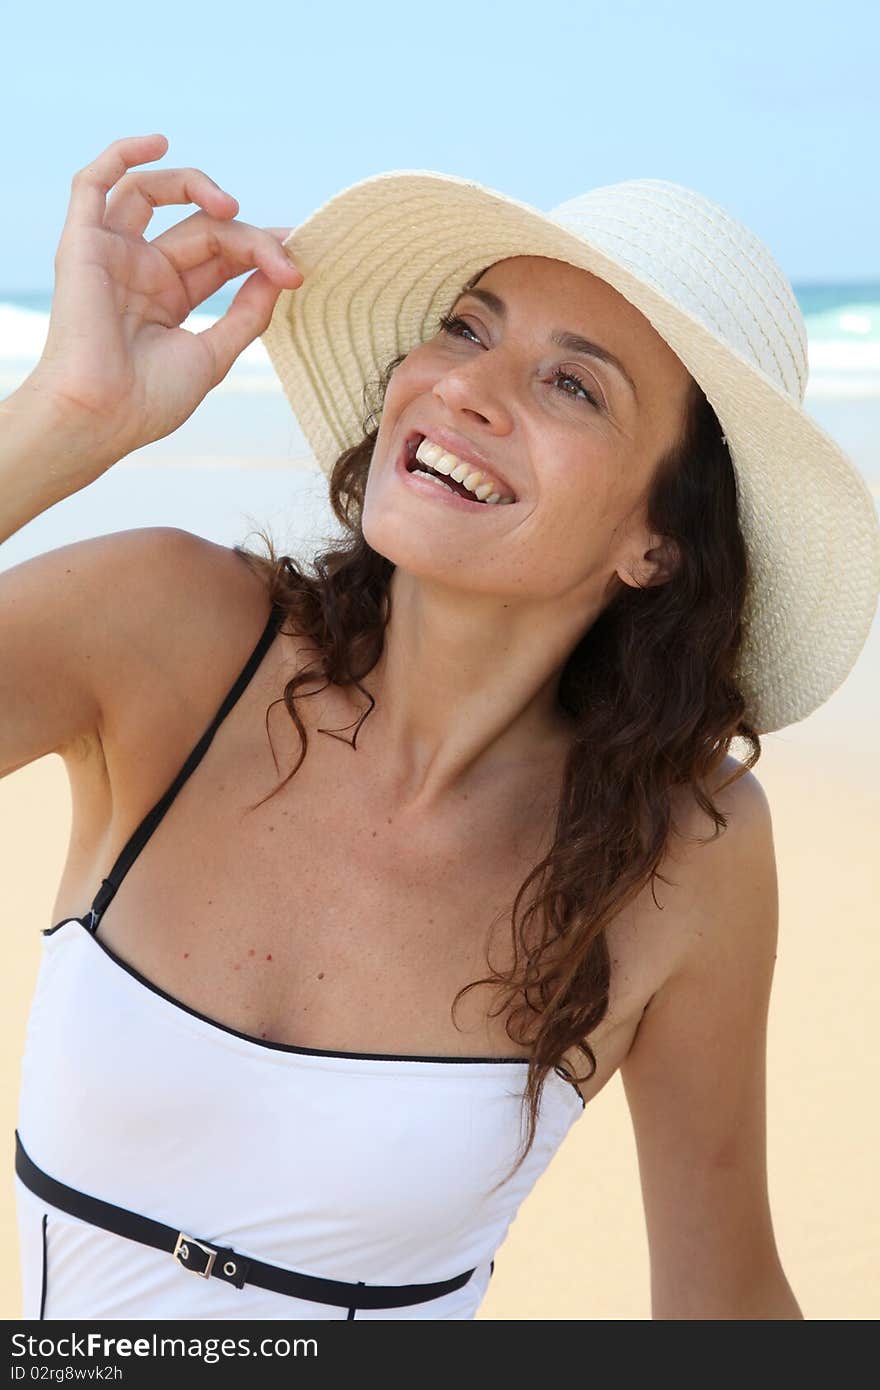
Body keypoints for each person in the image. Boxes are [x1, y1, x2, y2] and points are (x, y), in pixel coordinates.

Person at [2, 134, 878, 1322]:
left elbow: (725, 1300)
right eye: (467, 328)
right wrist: (60, 425)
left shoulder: (681, 853)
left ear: (655, 541)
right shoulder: (167, 631)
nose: (465, 385)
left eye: (572, 384)